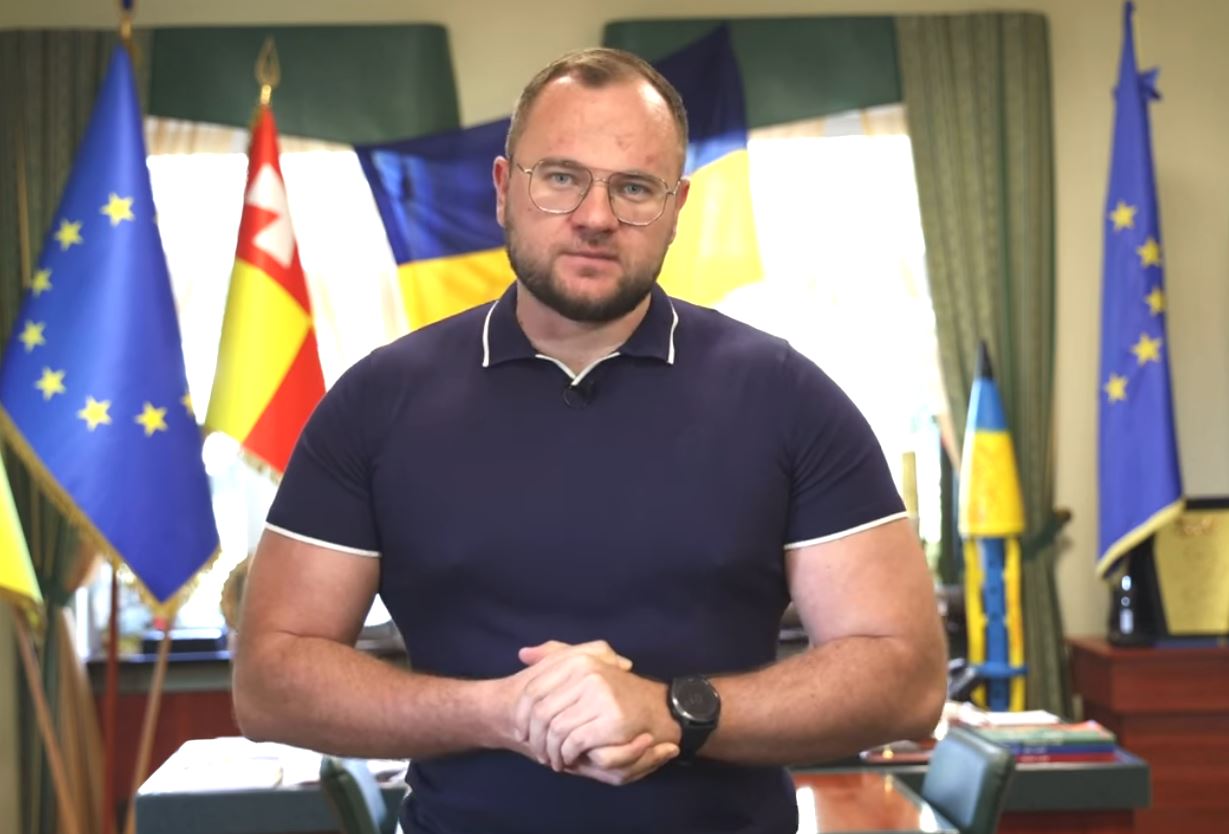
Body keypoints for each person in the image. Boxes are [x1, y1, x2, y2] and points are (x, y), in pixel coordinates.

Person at [233, 46, 947, 834]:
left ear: (676, 207)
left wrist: (674, 711)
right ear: (504, 188)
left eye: (633, 187)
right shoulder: (376, 401)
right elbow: (268, 682)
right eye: (561, 177)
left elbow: (908, 679)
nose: (595, 216)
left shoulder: (787, 396)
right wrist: (503, 712)